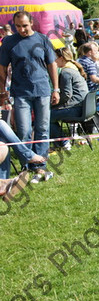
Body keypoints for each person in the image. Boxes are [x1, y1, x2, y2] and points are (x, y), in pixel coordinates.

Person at [0, 11, 59, 179]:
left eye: (25, 26)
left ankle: (40, 165)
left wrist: (56, 88)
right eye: (18, 26)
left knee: (42, 128)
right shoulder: (9, 42)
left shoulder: (42, 39)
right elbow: (2, 68)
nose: (22, 29)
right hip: (20, 93)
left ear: (31, 23)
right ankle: (27, 165)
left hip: (42, 90)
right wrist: (3, 91)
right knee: (24, 130)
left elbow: (52, 64)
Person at [50, 47, 89, 150]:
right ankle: (58, 142)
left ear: (61, 58)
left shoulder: (66, 72)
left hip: (76, 108)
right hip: (83, 107)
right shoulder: (73, 68)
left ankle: (63, 142)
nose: (54, 61)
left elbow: (66, 95)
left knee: (47, 117)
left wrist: (53, 104)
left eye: (55, 58)